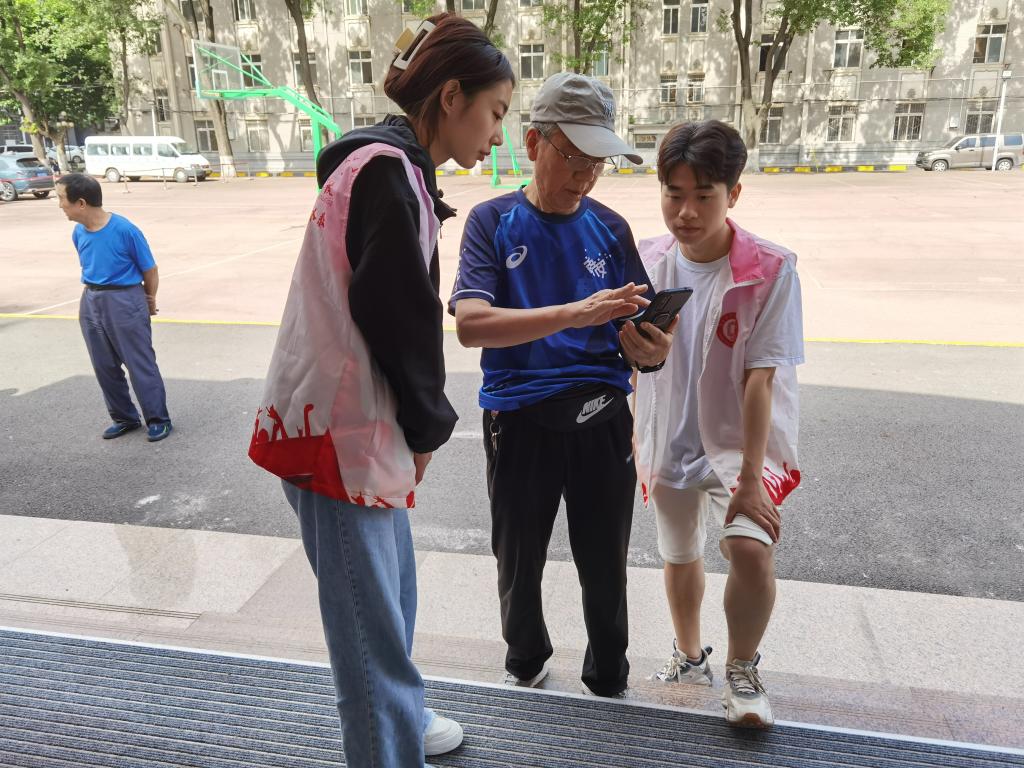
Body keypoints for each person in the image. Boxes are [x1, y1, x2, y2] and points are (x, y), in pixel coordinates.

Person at [247, 14, 514, 768]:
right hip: (342, 436)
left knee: (390, 602)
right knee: (369, 639)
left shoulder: (388, 168)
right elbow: (401, 317)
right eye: (495, 111)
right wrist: (428, 428)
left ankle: (403, 714)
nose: (497, 133)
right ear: (452, 97)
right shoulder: (388, 175)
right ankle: (386, 740)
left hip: (350, 428)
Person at [450, 72, 674, 699]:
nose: (586, 177)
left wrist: (652, 351)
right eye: (574, 157)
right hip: (519, 414)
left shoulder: (610, 228)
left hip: (602, 413)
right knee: (518, 556)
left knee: (605, 558)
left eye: (597, 162)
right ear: (533, 143)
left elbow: (639, 329)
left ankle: (608, 675)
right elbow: (471, 325)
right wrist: (576, 313)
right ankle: (525, 658)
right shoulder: (492, 221)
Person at [632, 120, 804, 729]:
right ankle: (689, 657)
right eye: (673, 194)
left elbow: (761, 379)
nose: (686, 212)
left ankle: (742, 671)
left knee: (750, 551)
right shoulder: (645, 262)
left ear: (734, 193)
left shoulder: (771, 269)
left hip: (740, 447)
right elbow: (629, 357)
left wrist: (751, 480)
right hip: (667, 436)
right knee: (678, 554)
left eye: (703, 195)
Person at [55, 173, 172, 442]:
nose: (60, 205)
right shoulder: (78, 232)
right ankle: (124, 417)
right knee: (103, 365)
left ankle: (158, 419)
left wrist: (149, 299)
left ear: (81, 203)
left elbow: (150, 270)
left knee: (139, 362)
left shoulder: (125, 230)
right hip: (91, 299)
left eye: (62, 198)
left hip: (124, 299)